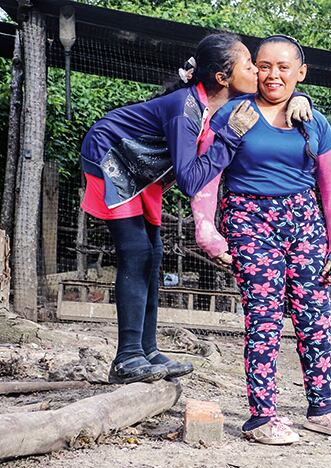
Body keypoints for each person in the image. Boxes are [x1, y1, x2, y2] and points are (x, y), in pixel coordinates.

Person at [79, 33, 312, 384]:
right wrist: (231, 137)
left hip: (144, 169)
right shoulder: (185, 109)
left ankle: (148, 350)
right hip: (112, 157)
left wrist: (300, 97)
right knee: (137, 253)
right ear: (223, 77)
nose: (259, 73)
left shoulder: (221, 102)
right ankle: (127, 358)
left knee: (153, 255)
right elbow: (191, 180)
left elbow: (277, 89)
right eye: (250, 66)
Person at [193, 35, 331, 445]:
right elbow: (209, 174)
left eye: (284, 67)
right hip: (249, 219)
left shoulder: (313, 120)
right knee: (263, 318)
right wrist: (207, 229)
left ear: (300, 73)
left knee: (314, 317)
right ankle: (262, 416)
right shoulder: (234, 114)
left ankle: (321, 409)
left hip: (304, 221)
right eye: (263, 66)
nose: (272, 74)